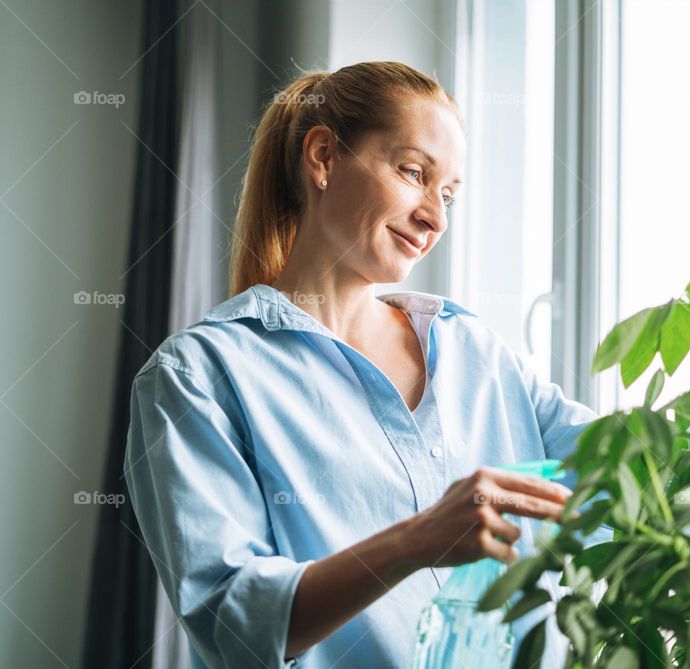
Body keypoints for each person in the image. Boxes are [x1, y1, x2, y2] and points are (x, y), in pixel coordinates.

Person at [124, 61, 605, 668]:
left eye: (450, 194)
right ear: (323, 156)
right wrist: (419, 539)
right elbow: (233, 623)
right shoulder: (198, 378)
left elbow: (621, 468)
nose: (437, 216)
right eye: (413, 173)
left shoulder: (476, 352)